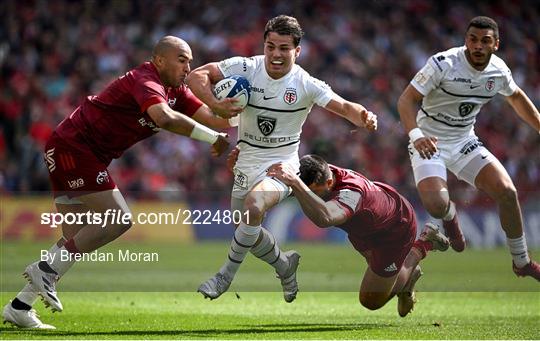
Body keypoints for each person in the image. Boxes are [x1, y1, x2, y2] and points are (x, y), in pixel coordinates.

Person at [3, 36, 234, 329]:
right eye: (182, 59)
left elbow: (215, 119)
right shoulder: (145, 78)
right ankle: (45, 270)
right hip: (75, 147)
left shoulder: (178, 91)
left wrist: (238, 109)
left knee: (75, 237)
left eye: (190, 60)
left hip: (74, 150)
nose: (188, 66)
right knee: (118, 218)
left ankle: (20, 306)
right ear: (159, 60)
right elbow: (163, 118)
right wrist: (212, 138)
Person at [185, 15, 377, 302]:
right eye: (270, 46)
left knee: (254, 205)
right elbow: (195, 76)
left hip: (283, 163)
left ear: (297, 52)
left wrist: (364, 116)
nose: (275, 54)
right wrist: (216, 105)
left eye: (284, 48)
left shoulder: (306, 84)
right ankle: (284, 265)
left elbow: (345, 107)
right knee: (246, 231)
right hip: (246, 159)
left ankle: (224, 276)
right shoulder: (246, 68)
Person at [397, 16, 539, 280]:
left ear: (496, 44)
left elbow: (516, 97)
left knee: (507, 191)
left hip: (464, 141)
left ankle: (522, 261)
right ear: (466, 41)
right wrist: (416, 136)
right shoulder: (443, 63)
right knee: (436, 205)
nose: (477, 46)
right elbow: (406, 100)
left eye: (485, 41)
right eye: (472, 40)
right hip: (429, 141)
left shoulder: (498, 70)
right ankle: (449, 216)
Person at [266, 154, 450, 316]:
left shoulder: (350, 194)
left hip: (394, 230)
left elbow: (325, 218)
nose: (310, 196)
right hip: (368, 224)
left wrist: (298, 186)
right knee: (381, 274)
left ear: (329, 183)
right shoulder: (318, 173)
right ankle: (404, 274)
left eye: (313, 192)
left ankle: (422, 246)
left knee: (371, 300)